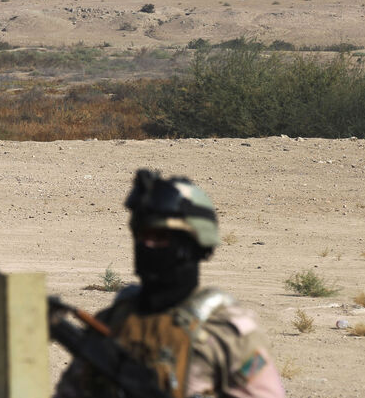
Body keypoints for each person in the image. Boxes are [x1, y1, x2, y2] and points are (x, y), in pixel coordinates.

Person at [54, 169, 286, 398]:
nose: (147, 246)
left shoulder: (227, 335)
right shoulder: (114, 321)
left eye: (161, 237)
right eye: (142, 236)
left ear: (195, 245)